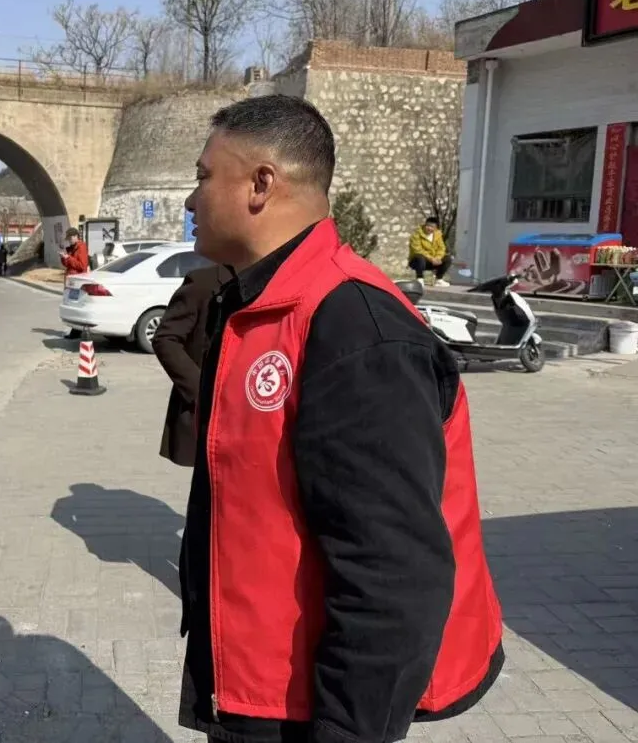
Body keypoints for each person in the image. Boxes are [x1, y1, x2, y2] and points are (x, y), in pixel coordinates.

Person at [179, 95, 503, 743]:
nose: (192, 200)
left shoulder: (355, 327)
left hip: (306, 706)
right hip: (253, 676)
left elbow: (393, 571)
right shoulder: (259, 305)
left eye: (204, 176)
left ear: (261, 184)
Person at [152, 264, 230, 467]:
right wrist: (201, 391)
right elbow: (166, 339)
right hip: (210, 411)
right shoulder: (203, 283)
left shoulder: (272, 280)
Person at [409, 216, 451, 286]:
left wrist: (438, 257)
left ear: (436, 228)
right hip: (418, 261)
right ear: (425, 225)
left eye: (432, 227)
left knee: (447, 258)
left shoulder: (438, 235)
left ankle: (439, 279)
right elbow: (417, 249)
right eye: (428, 226)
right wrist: (431, 258)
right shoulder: (416, 234)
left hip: (433, 260)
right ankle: (419, 279)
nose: (429, 228)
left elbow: (441, 248)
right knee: (419, 257)